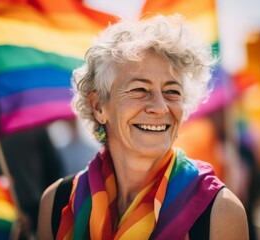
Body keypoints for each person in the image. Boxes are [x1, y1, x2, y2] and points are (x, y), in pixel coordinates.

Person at [37, 14, 248, 240]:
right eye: (139, 90)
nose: (160, 108)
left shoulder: (220, 212)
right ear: (99, 106)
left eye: (172, 92)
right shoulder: (57, 202)